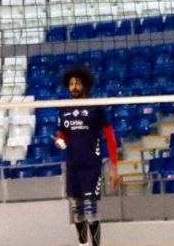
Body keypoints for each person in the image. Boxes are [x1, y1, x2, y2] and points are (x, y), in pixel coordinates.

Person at [53, 66, 121, 246]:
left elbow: (111, 138)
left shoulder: (96, 107)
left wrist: (114, 167)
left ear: (85, 85)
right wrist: (59, 142)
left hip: (91, 165)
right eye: (71, 83)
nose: (73, 86)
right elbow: (62, 138)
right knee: (77, 209)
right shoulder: (63, 109)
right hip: (73, 165)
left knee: (91, 207)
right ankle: (82, 244)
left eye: (77, 83)